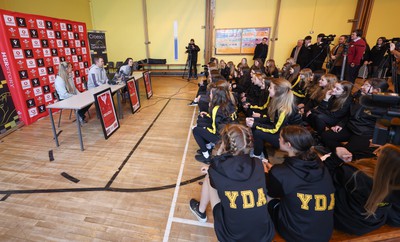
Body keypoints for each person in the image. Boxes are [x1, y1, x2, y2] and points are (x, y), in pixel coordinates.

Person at [189, 124, 275, 242]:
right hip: (265, 235)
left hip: (230, 237)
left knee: (209, 178)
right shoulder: (258, 162)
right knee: (265, 184)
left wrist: (217, 156)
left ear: (224, 143)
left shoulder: (217, 167)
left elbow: (216, 166)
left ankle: (200, 211)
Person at [266, 125, 335, 241]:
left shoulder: (279, 172)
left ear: (288, 145)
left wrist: (269, 174)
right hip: (325, 232)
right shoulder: (321, 166)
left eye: (280, 137)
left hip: (298, 235)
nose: (278, 139)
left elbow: (273, 192)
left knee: (267, 196)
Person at [323, 144, 400, 235]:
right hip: (371, 224)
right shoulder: (394, 186)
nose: (376, 156)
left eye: (378, 156)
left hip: (345, 220)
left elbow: (323, 175)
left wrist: (336, 157)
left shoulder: (356, 175)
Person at [321, 78, 389, 159]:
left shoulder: (383, 107)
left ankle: (338, 156)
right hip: (350, 128)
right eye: (363, 84)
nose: (361, 87)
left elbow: (386, 126)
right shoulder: (359, 97)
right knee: (326, 136)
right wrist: (340, 124)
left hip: (364, 134)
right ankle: (335, 153)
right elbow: (349, 114)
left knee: (347, 153)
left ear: (377, 90)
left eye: (366, 86)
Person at [246, 78, 301, 159]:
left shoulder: (284, 110)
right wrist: (254, 121)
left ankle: (257, 155)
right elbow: (271, 119)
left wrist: (254, 124)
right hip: (281, 131)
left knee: (258, 132)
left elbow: (275, 129)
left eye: (270, 88)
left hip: (288, 139)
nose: (268, 89)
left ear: (277, 92)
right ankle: (259, 148)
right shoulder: (278, 101)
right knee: (255, 124)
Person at [192, 85, 237, 163]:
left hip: (222, 138)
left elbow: (215, 130)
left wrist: (205, 129)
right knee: (202, 122)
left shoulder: (217, 109)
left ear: (216, 96)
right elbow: (222, 120)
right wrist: (208, 114)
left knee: (196, 130)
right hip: (231, 135)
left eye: (211, 94)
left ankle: (206, 156)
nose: (209, 95)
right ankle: (208, 147)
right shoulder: (229, 104)